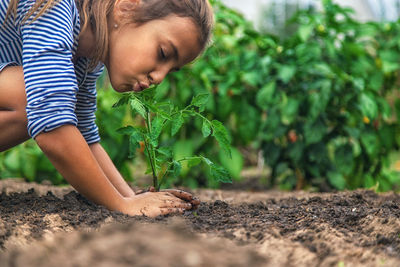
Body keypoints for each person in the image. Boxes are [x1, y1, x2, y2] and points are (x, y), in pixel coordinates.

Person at [0, 0, 213, 217]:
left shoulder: (88, 55)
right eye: (163, 53)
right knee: (28, 94)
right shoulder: (54, 7)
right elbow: (52, 126)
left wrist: (130, 197)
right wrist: (122, 205)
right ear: (127, 7)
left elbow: (83, 134)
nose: (159, 77)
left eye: (171, 70)